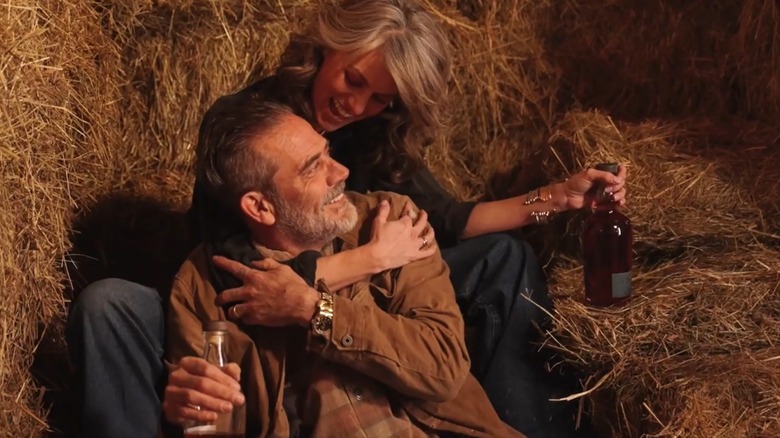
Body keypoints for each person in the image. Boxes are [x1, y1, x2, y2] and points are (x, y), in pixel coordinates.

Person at [66, 0, 626, 436]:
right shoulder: (246, 126)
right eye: (354, 81)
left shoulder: (370, 132)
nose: (356, 106)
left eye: (380, 98)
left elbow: (448, 219)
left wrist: (555, 198)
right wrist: (372, 259)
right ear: (331, 47)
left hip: (333, 289)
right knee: (110, 303)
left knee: (505, 258)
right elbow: (241, 279)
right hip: (231, 294)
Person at [164, 97, 523, 437]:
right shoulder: (201, 287)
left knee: (507, 254)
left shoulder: (394, 220)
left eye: (327, 153)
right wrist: (192, 408)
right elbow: (216, 419)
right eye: (312, 168)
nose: (341, 172)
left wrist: (315, 311)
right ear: (260, 208)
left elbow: (443, 368)